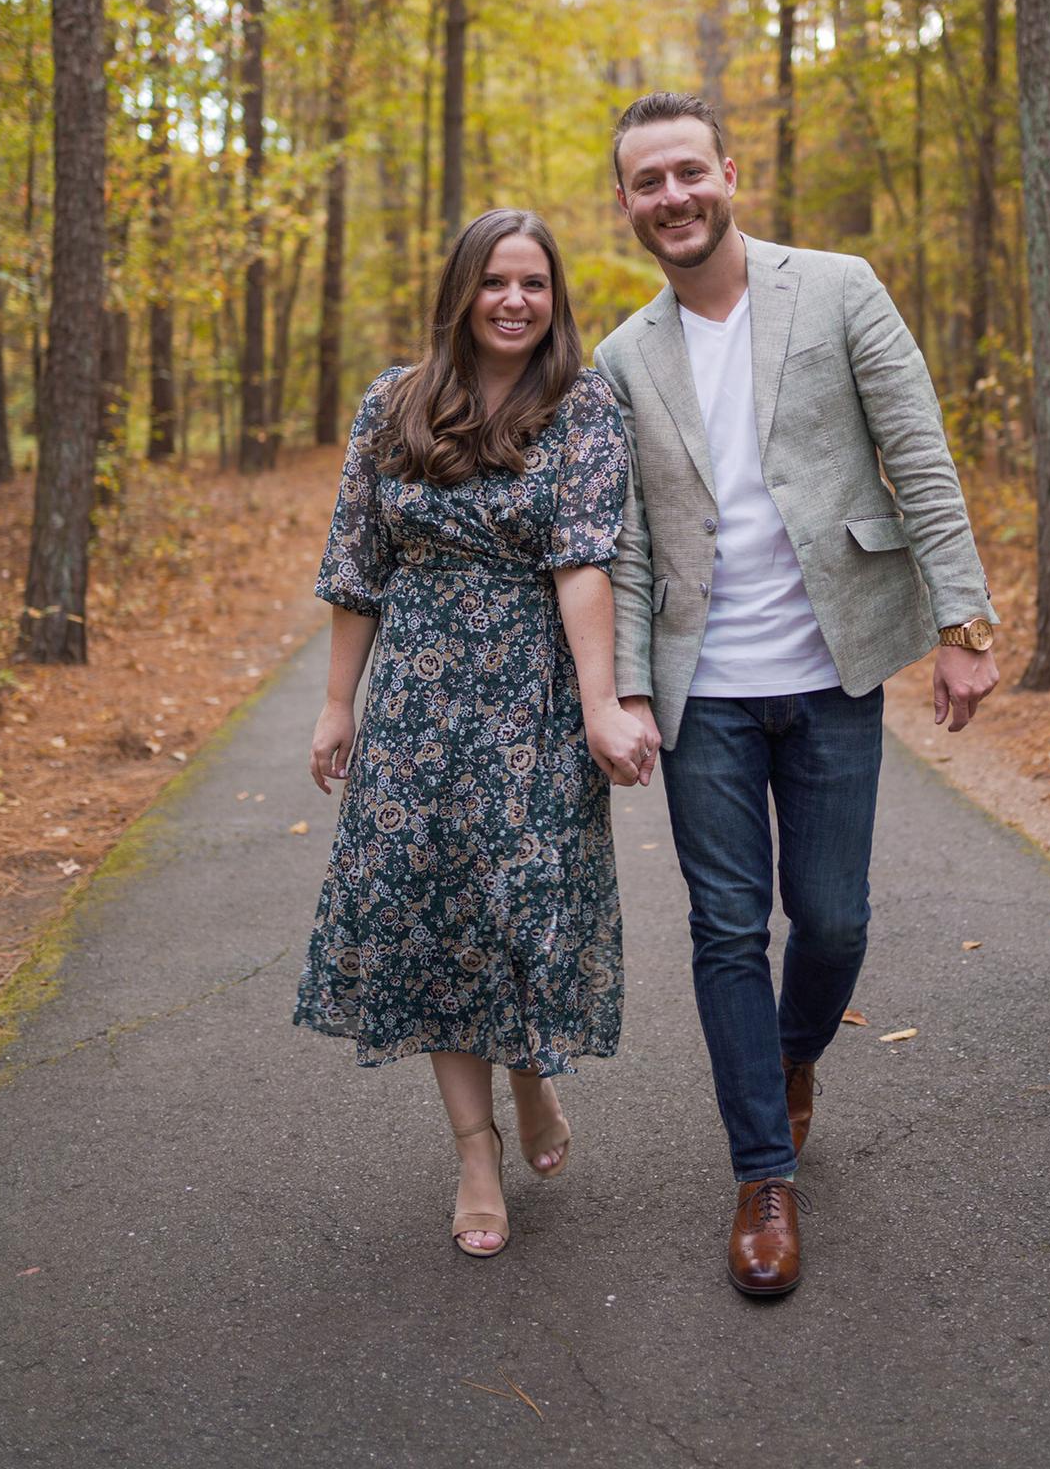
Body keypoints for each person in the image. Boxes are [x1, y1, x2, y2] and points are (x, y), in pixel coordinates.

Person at [594, 92, 999, 1299]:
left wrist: (962, 623)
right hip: (701, 696)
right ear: (625, 205)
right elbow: (621, 544)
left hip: (831, 670)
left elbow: (915, 453)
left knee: (831, 923)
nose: (670, 197)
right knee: (725, 929)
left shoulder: (835, 288)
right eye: (644, 183)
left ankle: (787, 1056)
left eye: (686, 172)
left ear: (728, 172)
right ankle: (760, 1175)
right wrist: (622, 688)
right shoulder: (620, 356)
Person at [296, 208, 652, 1259]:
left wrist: (600, 707)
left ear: (555, 298)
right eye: (495, 279)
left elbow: (583, 560)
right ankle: (474, 1149)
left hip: (532, 696)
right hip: (415, 702)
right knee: (433, 924)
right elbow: (357, 562)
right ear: (462, 289)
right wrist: (336, 702)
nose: (513, 299)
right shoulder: (391, 404)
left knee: (521, 909)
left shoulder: (583, 405)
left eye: (533, 283)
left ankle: (534, 1079)